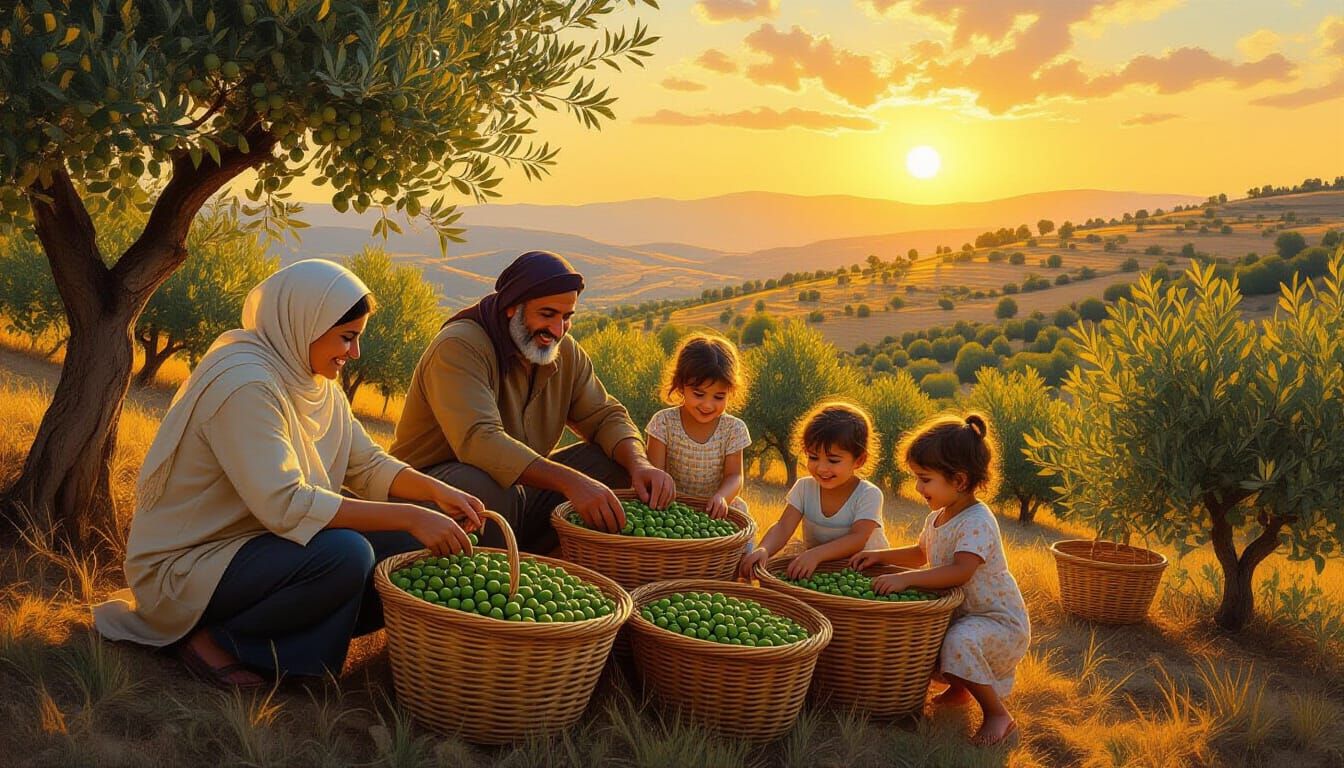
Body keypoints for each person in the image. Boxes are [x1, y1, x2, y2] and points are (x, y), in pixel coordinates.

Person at [94, 260, 486, 689]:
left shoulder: (312, 382)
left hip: (253, 546)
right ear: (305, 323)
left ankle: (288, 645)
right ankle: (215, 640)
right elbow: (285, 504)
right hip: (191, 565)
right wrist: (411, 515)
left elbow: (367, 463)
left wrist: (435, 494)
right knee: (348, 554)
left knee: (408, 545)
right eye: (347, 338)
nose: (355, 353)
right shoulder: (245, 385)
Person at [390, 250, 674, 553]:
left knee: (609, 464)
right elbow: (480, 441)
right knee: (484, 482)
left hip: (515, 495)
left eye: (567, 318)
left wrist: (640, 464)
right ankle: (499, 574)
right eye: (547, 314)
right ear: (513, 307)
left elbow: (605, 416)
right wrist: (572, 483)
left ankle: (545, 564)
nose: (557, 330)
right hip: (432, 494)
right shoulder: (460, 346)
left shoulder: (564, 351)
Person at [850, 414, 1029, 747]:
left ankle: (997, 714)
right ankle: (960, 688)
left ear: (959, 480)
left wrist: (907, 581)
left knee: (958, 642)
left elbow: (961, 570)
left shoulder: (977, 520)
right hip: (967, 615)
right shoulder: (938, 516)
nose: (918, 488)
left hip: (997, 621)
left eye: (925, 479)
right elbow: (921, 552)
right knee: (926, 640)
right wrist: (881, 556)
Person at [738, 401, 887, 579]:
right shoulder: (804, 488)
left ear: (859, 461)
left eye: (833, 460)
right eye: (814, 457)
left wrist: (815, 554)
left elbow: (857, 539)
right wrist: (764, 549)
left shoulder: (868, 494)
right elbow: (783, 527)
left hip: (864, 574)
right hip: (820, 571)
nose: (822, 468)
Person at [644, 334, 751, 519]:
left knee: (745, 544)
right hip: (670, 510)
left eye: (719, 397)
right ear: (680, 386)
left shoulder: (734, 429)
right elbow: (655, 474)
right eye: (699, 394)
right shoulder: (663, 423)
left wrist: (722, 498)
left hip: (716, 512)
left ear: (730, 392)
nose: (708, 405)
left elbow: (735, 476)